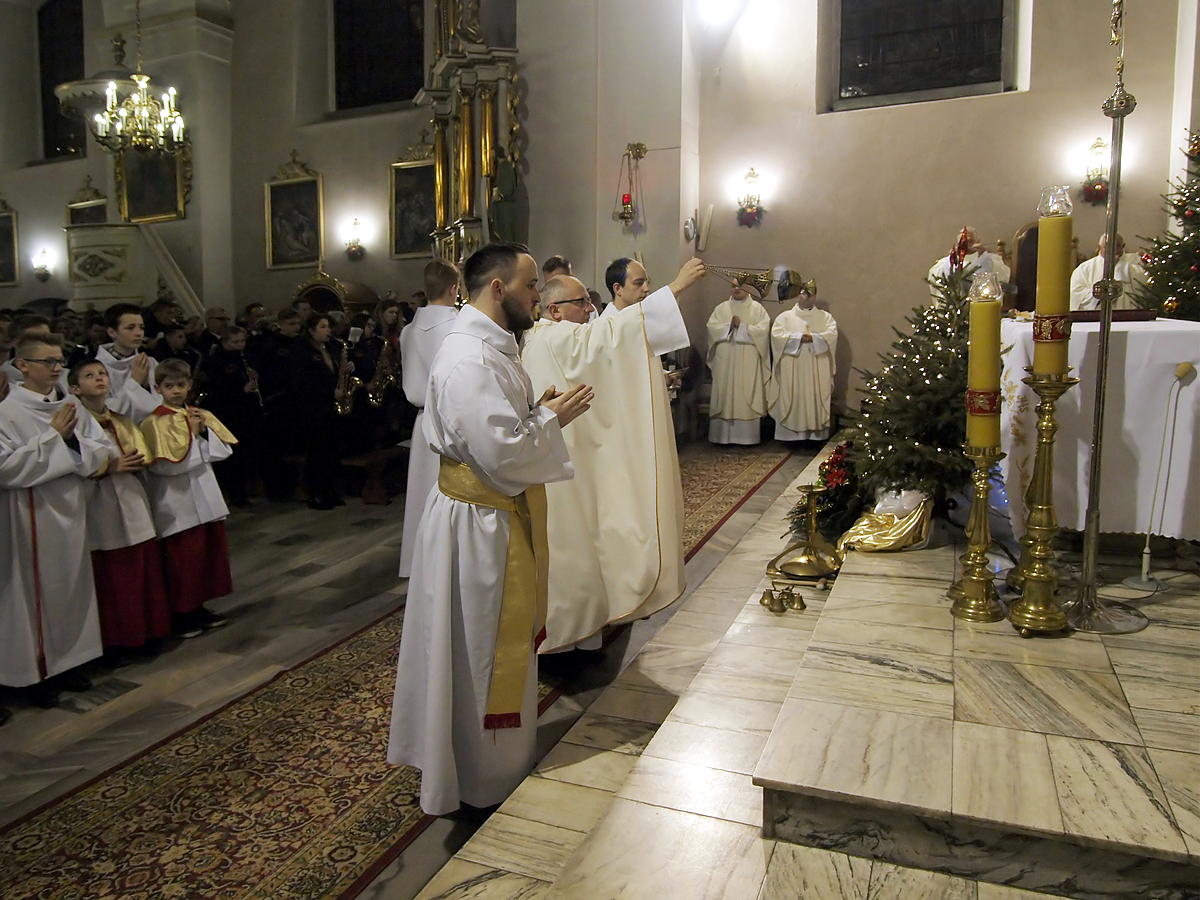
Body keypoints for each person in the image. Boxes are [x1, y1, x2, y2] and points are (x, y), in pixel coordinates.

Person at [387, 242, 593, 816]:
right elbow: (500, 455)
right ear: (498, 288)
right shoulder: (470, 358)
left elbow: (494, 430)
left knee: (480, 645)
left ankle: (493, 763)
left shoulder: (490, 345)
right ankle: (480, 776)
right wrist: (550, 418)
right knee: (479, 649)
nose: (538, 296)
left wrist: (535, 410)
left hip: (489, 515)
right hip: (476, 525)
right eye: (531, 286)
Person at [522, 260, 704, 653]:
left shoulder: (546, 337)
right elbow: (610, 335)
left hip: (559, 456)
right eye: (581, 302)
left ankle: (578, 630)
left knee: (578, 546)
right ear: (554, 310)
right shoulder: (555, 337)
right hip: (560, 465)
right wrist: (675, 287)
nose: (590, 308)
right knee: (571, 548)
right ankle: (567, 635)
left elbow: (603, 345)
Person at [0, 334, 109, 708]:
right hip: (30, 513)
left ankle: (68, 662)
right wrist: (54, 439)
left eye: (59, 361)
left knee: (71, 585)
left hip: (71, 508)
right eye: (47, 361)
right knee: (32, 594)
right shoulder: (7, 412)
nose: (57, 368)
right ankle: (35, 674)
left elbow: (100, 450)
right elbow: (5, 468)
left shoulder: (70, 405)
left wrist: (72, 444)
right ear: (22, 365)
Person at [68, 359, 171, 659]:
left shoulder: (120, 420)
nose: (99, 378)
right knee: (113, 575)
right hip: (98, 500)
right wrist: (107, 467)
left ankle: (149, 632)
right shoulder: (75, 423)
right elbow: (73, 462)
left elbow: (140, 454)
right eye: (89, 376)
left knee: (141, 566)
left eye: (102, 373)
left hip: (129, 494)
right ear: (75, 389)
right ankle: (118, 642)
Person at [140, 359, 237, 637]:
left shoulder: (198, 414)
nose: (176, 391)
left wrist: (203, 432)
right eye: (169, 386)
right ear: (157, 388)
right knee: (182, 561)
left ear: (190, 385)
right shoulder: (154, 422)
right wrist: (193, 438)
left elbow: (222, 451)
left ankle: (199, 607)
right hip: (176, 501)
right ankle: (182, 615)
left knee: (203, 558)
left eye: (181, 385)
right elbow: (165, 466)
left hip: (203, 495)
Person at [398, 259, 460, 579]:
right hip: (453, 421)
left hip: (423, 422)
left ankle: (422, 566)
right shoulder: (459, 327)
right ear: (454, 288)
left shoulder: (408, 331)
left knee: (423, 497)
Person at [289, 313, 350, 510]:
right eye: (323, 327)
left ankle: (332, 492)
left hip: (331, 407)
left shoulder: (331, 347)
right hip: (313, 408)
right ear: (311, 330)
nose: (328, 331)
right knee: (317, 452)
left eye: (328, 326)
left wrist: (347, 368)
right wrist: (330, 392)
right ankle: (316, 494)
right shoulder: (301, 351)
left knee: (332, 450)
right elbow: (302, 383)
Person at [202, 325, 264, 507]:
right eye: (235, 342)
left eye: (242, 341)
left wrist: (254, 376)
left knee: (247, 453)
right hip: (229, 412)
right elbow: (217, 388)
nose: (240, 345)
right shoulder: (217, 360)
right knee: (234, 457)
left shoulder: (244, 356)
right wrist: (241, 389)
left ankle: (246, 490)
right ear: (225, 341)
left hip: (248, 411)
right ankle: (235, 493)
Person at [769, 281, 838, 441]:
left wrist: (814, 338)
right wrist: (798, 338)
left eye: (810, 295)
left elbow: (831, 335)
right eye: (803, 294)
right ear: (797, 296)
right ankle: (790, 437)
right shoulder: (785, 317)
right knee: (792, 395)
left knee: (814, 395)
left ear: (815, 297)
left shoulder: (825, 317)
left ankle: (814, 436)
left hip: (816, 367)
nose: (806, 297)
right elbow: (777, 336)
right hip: (792, 367)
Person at [706, 279, 771, 445]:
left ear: (748, 287)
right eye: (733, 285)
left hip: (747, 360)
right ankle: (721, 437)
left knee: (746, 391)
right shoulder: (721, 309)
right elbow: (711, 328)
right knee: (725, 392)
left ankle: (747, 438)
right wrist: (728, 326)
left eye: (740, 285)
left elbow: (763, 331)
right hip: (725, 360)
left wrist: (742, 327)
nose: (736, 288)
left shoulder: (757, 309)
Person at [248, 308, 303, 501]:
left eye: (298, 324)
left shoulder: (301, 342)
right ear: (280, 324)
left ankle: (296, 485)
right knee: (278, 447)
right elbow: (261, 369)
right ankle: (278, 489)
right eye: (291, 324)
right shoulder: (270, 344)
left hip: (297, 400)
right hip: (277, 400)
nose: (296, 328)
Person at [95, 303, 160, 421]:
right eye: (130, 328)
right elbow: (104, 411)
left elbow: (165, 402)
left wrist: (147, 387)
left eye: (141, 327)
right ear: (111, 332)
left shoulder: (149, 362)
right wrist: (135, 382)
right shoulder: (97, 368)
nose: (138, 333)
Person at [1070, 233, 1146, 311]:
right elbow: (1076, 294)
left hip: (1127, 314)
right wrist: (1099, 293)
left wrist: (1120, 268)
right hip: (1096, 315)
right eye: (1107, 247)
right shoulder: (1085, 268)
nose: (1112, 250)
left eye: (1116, 246)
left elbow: (1143, 290)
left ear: (1123, 246)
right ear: (1099, 247)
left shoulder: (1135, 263)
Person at [927, 227, 1010, 297]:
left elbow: (1003, 276)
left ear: (978, 242)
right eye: (962, 242)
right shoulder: (945, 261)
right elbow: (934, 276)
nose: (965, 244)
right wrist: (952, 260)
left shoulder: (991, 259)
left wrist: (983, 257)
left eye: (970, 241)